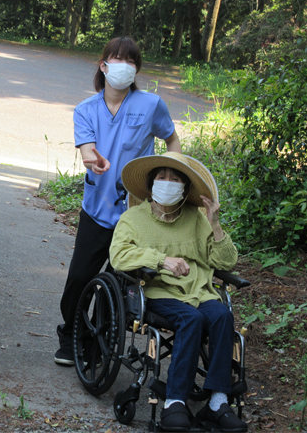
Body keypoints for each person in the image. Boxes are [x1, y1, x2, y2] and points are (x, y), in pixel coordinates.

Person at [54, 36, 182, 366]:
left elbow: (172, 138)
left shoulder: (151, 105)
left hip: (136, 215)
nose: (123, 66)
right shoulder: (86, 109)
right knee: (80, 278)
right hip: (96, 210)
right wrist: (92, 160)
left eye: (130, 61)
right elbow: (85, 147)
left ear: (136, 69)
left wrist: (172, 174)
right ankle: (70, 335)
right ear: (104, 65)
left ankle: (99, 345)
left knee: (119, 284)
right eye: (116, 59)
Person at [109, 152, 247, 433]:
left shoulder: (196, 218)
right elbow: (119, 256)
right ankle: (174, 402)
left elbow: (226, 262)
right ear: (151, 184)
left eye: (175, 179)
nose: (168, 182)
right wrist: (161, 260)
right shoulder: (133, 218)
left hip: (199, 291)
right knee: (192, 320)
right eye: (162, 177)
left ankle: (218, 402)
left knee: (221, 315)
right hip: (159, 292)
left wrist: (215, 223)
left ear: (185, 188)